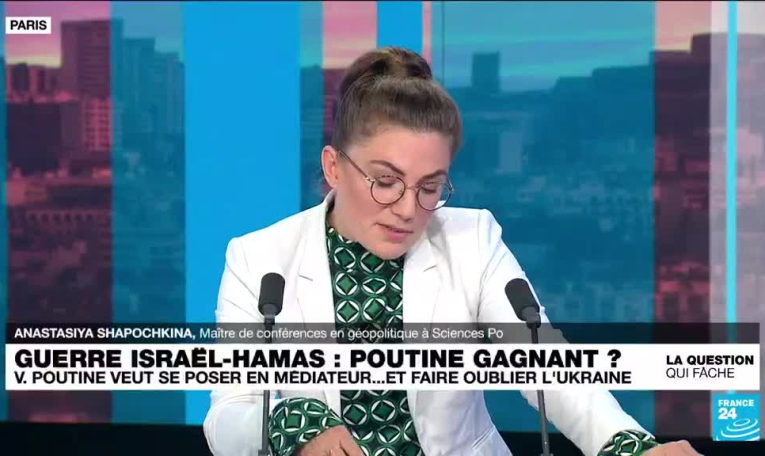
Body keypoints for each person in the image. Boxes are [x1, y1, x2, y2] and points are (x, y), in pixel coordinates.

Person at [204, 47, 700, 456]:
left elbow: (544, 361)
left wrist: (628, 445)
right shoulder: (259, 259)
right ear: (334, 167)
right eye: (385, 181)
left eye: (429, 187)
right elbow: (227, 416)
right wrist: (294, 420)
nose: (407, 209)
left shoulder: (471, 238)